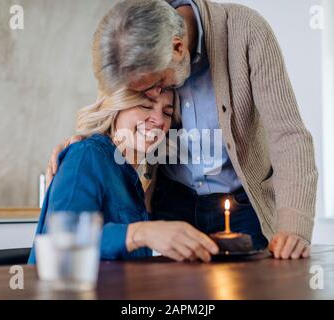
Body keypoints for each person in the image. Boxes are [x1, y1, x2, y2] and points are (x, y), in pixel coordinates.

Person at [47, 0, 318, 260]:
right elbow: (117, 112)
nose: (154, 96)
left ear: (178, 48)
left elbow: (288, 135)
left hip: (241, 208)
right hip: (172, 205)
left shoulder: (247, 31)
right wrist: (87, 143)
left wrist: (294, 225)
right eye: (141, 96)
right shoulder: (134, 38)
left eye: (155, 87)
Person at [28, 88, 219, 264]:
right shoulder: (87, 154)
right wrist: (141, 233)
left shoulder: (138, 179)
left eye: (167, 113)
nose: (159, 120)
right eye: (145, 105)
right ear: (117, 105)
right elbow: (62, 241)